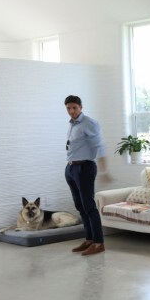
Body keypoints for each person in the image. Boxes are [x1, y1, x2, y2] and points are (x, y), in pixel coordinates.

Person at [64, 95, 111, 256]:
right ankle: (89, 239)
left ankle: (99, 243)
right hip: (71, 168)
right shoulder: (72, 124)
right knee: (79, 205)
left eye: (74, 108)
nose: (71, 111)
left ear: (81, 107)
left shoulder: (89, 123)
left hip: (85, 168)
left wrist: (105, 170)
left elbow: (100, 146)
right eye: (68, 108)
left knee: (89, 206)